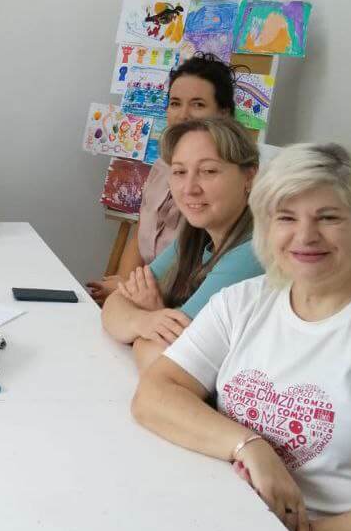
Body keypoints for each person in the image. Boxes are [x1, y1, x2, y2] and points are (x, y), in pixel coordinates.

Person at [131, 143, 351, 531]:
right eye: (286, 217)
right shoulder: (245, 301)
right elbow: (155, 393)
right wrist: (250, 446)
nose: (305, 235)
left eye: (328, 217)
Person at [102, 117, 261, 372]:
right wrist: (145, 321)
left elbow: (163, 359)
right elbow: (113, 306)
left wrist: (149, 321)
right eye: (179, 172)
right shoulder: (196, 236)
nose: (189, 188)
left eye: (208, 171)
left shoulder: (253, 252)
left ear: (249, 177)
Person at [87, 54, 236, 302]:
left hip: (183, 302)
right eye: (175, 103)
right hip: (146, 291)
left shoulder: (226, 183)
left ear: (224, 113)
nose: (183, 115)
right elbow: (141, 230)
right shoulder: (162, 165)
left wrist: (131, 292)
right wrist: (123, 287)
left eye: (198, 104)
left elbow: (196, 273)